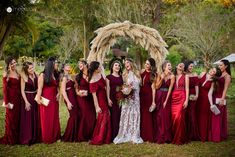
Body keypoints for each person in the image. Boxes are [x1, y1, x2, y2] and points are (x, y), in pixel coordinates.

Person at [113, 58, 143, 144]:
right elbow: (123, 86)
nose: (126, 64)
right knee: (127, 115)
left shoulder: (137, 73)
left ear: (131, 63)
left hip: (136, 98)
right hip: (127, 98)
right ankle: (125, 134)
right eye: (125, 63)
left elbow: (140, 85)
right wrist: (125, 91)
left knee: (135, 115)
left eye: (128, 62)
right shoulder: (124, 74)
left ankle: (134, 135)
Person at [35, 57, 61, 144]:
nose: (57, 64)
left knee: (54, 117)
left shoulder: (55, 74)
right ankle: (48, 137)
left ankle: (55, 135)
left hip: (54, 99)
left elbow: (57, 86)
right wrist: (39, 99)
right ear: (51, 64)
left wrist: (58, 93)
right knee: (47, 118)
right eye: (56, 63)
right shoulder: (42, 75)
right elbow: (39, 89)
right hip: (46, 99)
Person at [89, 61, 111, 145]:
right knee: (104, 118)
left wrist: (108, 98)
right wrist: (97, 107)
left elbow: (106, 85)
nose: (99, 68)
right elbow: (94, 96)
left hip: (105, 98)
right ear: (94, 69)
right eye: (98, 67)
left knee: (107, 117)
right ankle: (100, 137)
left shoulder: (101, 74)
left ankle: (106, 137)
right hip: (100, 101)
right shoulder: (92, 80)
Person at [152, 60, 174, 143]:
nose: (170, 67)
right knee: (159, 115)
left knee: (166, 116)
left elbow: (170, 89)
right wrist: (162, 77)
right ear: (164, 67)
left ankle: (167, 137)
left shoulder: (172, 76)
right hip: (159, 95)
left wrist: (166, 100)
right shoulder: (159, 75)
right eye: (169, 65)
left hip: (167, 96)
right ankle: (160, 135)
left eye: (170, 65)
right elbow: (156, 86)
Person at [0, 57, 21, 145]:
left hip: (18, 99)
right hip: (10, 99)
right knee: (11, 118)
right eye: (12, 63)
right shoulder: (6, 74)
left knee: (17, 118)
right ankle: (11, 138)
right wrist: (6, 102)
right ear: (8, 64)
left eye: (15, 62)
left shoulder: (17, 72)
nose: (14, 64)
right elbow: (5, 89)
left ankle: (17, 137)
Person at [209, 59, 231, 142]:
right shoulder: (220, 74)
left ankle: (217, 136)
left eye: (221, 65)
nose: (219, 66)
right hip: (215, 97)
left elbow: (225, 89)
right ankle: (215, 134)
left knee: (217, 117)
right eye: (219, 65)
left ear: (226, 66)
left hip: (220, 98)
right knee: (214, 116)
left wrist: (222, 99)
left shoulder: (227, 76)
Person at [197, 67, 219, 142]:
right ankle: (196, 135)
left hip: (205, 100)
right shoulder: (203, 73)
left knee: (203, 118)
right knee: (197, 115)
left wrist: (211, 104)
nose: (212, 71)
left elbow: (210, 94)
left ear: (215, 74)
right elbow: (196, 83)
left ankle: (203, 135)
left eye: (214, 71)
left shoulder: (213, 82)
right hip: (197, 98)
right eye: (212, 69)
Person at [75, 60, 96, 141]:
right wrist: (78, 93)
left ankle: (91, 134)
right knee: (85, 115)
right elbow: (76, 88)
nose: (80, 65)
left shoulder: (91, 74)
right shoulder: (78, 76)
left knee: (92, 115)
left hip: (91, 97)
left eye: (81, 64)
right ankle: (82, 135)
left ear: (86, 65)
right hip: (82, 98)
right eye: (79, 64)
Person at [19, 61, 39, 145]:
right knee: (28, 118)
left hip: (35, 97)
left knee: (35, 116)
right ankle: (28, 137)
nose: (32, 69)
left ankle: (35, 136)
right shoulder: (24, 77)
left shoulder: (36, 75)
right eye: (30, 68)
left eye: (32, 67)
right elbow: (22, 91)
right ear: (26, 69)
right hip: (27, 97)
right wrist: (26, 102)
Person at [60, 62, 79, 142]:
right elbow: (63, 91)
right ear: (63, 68)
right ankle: (69, 136)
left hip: (74, 96)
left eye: (69, 65)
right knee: (73, 115)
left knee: (76, 114)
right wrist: (68, 102)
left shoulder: (70, 76)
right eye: (67, 66)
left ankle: (75, 134)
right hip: (69, 97)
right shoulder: (64, 77)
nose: (69, 66)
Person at [171, 63, 189, 145]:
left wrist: (186, 100)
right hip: (173, 97)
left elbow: (187, 88)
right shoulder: (173, 76)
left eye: (183, 65)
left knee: (179, 117)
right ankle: (174, 136)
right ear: (176, 66)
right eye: (180, 64)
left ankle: (180, 138)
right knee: (174, 117)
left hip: (182, 97)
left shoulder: (186, 76)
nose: (181, 65)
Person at [140, 58, 156, 142]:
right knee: (141, 115)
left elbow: (153, 89)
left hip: (148, 96)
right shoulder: (142, 72)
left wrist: (153, 101)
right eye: (146, 63)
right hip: (140, 96)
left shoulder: (152, 74)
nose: (146, 65)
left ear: (151, 65)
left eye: (148, 64)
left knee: (147, 116)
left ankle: (148, 136)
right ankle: (141, 134)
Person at [106, 60, 123, 140]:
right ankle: (113, 134)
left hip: (120, 98)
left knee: (120, 115)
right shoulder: (108, 77)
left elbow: (123, 87)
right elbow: (108, 88)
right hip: (112, 98)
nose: (117, 67)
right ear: (112, 67)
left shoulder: (121, 77)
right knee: (113, 116)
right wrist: (108, 98)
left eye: (119, 66)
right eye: (116, 65)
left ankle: (120, 134)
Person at [184, 61, 199, 141]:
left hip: (193, 95)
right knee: (185, 112)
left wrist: (197, 95)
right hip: (185, 94)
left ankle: (193, 133)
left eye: (192, 66)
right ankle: (186, 132)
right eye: (190, 66)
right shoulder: (184, 74)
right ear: (186, 66)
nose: (191, 68)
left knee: (192, 112)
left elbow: (196, 85)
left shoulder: (195, 74)